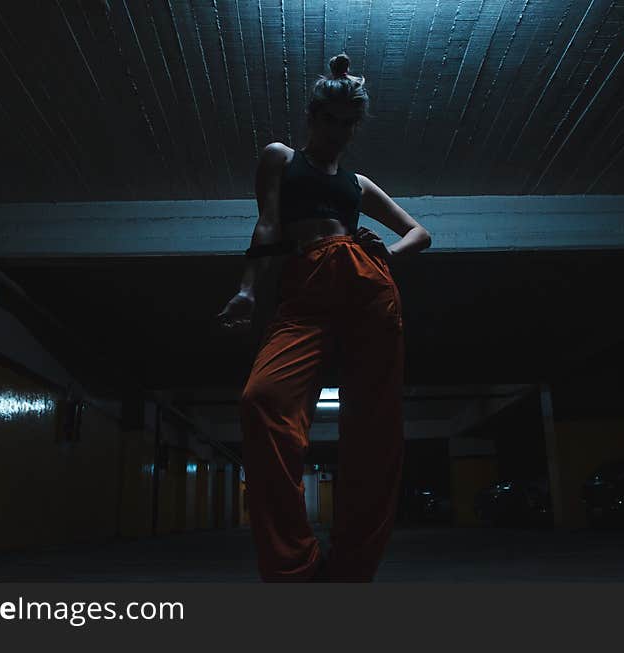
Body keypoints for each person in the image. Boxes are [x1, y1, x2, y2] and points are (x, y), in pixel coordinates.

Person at [217, 53, 432, 582]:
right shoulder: (280, 158)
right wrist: (246, 291)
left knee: (375, 428)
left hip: (366, 287)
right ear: (312, 117)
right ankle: (296, 565)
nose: (338, 132)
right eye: (329, 120)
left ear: (356, 127)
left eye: (348, 124)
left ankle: (352, 569)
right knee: (261, 400)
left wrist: (384, 256)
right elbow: (268, 227)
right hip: (303, 291)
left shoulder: (359, 185)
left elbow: (420, 234)